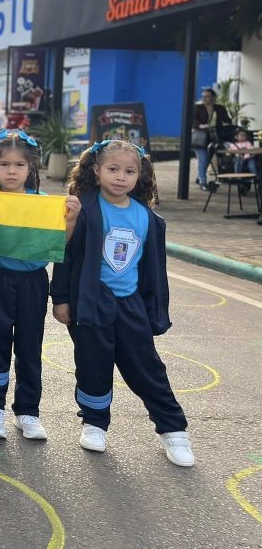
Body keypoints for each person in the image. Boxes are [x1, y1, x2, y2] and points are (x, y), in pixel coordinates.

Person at [51, 140, 195, 467]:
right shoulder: (84, 210)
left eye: (129, 171)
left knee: (147, 368)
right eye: (113, 169)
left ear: (139, 175)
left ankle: (173, 429)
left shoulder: (147, 217)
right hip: (91, 303)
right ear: (96, 170)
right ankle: (94, 422)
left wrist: (152, 308)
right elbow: (65, 257)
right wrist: (60, 298)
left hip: (130, 306)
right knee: (93, 364)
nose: (120, 177)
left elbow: (152, 270)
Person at [0, 130, 81, 441]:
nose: (12, 171)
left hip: (33, 283)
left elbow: (58, 244)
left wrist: (70, 220)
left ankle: (28, 411)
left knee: (30, 347)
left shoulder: (44, 204)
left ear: (31, 168)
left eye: (19, 165)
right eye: (4, 164)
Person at [192, 88, 232, 190]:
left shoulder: (219, 108)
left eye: (207, 96)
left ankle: (200, 176)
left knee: (207, 159)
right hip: (200, 138)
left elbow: (227, 120)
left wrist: (226, 122)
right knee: (203, 159)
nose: (204, 98)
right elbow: (192, 120)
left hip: (213, 138)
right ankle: (203, 182)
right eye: (203, 96)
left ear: (213, 98)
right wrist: (200, 125)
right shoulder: (198, 108)